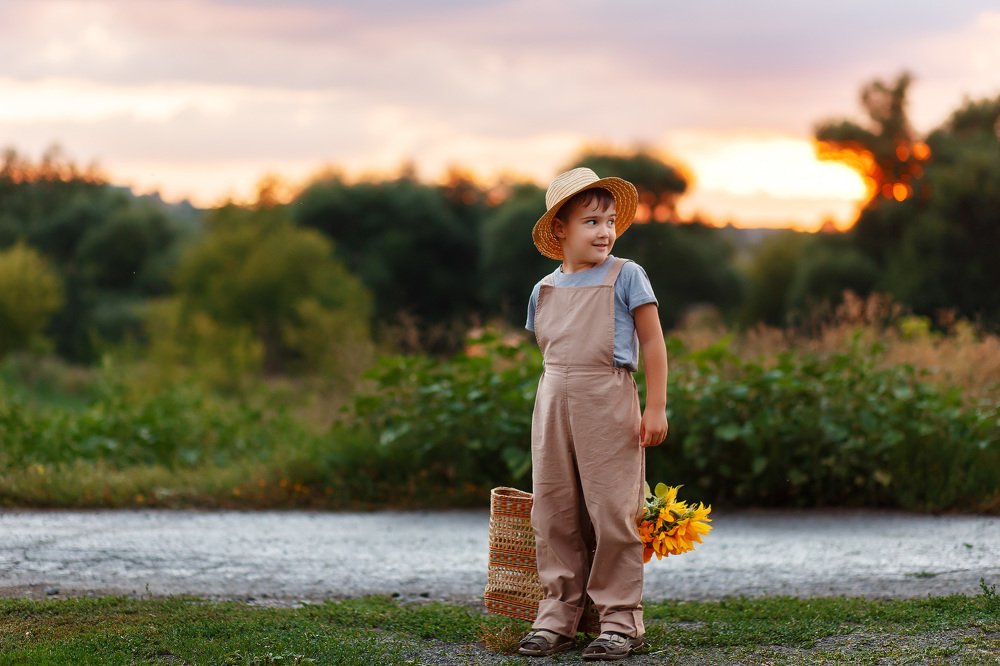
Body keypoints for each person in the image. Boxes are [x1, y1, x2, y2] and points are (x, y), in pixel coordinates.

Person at [518, 167, 668, 661]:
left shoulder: (628, 275)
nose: (605, 231)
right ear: (560, 228)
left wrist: (656, 405)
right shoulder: (544, 289)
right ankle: (556, 617)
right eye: (591, 222)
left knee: (613, 511)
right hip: (553, 399)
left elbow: (652, 341)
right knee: (554, 511)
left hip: (608, 397)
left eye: (609, 221)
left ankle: (620, 621)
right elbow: (551, 354)